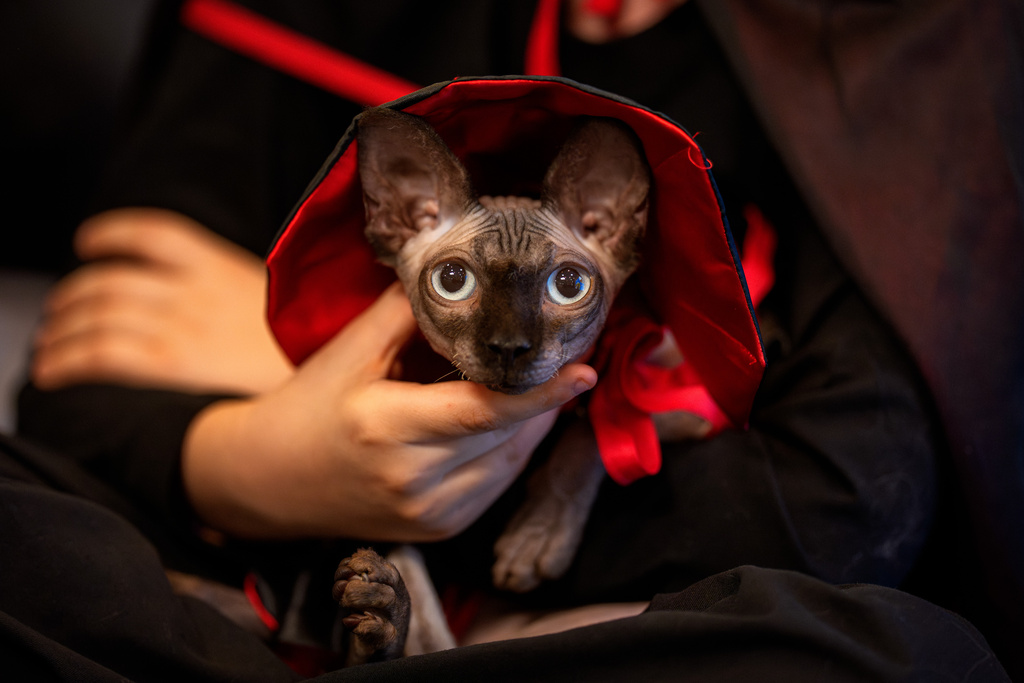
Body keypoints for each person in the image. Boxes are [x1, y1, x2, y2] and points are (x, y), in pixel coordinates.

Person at [6, 0, 1020, 679]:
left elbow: (847, 500)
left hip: (627, 605)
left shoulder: (892, 43)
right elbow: (83, 376)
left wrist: (291, 367)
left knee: (889, 653)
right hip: (251, 536)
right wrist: (263, 456)